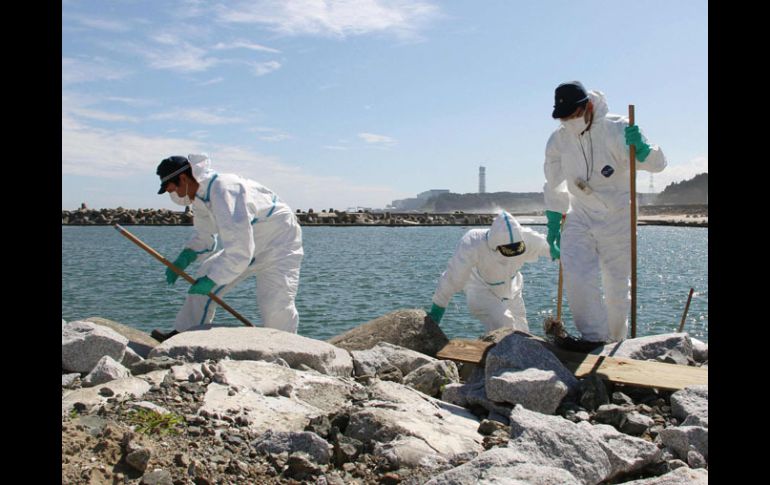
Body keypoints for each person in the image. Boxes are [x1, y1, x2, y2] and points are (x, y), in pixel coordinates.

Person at [543, 81, 667, 352]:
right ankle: (594, 339)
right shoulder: (559, 140)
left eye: (573, 115)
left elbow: (658, 165)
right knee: (576, 272)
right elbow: (554, 184)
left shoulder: (618, 128)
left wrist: (644, 150)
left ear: (587, 106)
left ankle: (617, 342)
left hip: (617, 217)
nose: (570, 122)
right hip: (580, 214)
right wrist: (553, 224)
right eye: (563, 117)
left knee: (616, 286)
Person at [150, 154, 304, 342]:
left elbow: (240, 253)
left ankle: (288, 347)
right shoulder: (198, 196)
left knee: (276, 304)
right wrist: (186, 257)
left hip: (280, 241)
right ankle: (183, 335)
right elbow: (205, 237)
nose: (173, 194)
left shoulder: (225, 190)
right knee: (201, 279)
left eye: (171, 188)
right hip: (251, 242)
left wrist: (212, 280)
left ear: (183, 178)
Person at [426, 211, 551, 334]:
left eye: (516, 249)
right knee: (504, 324)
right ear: (495, 246)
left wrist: (559, 252)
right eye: (508, 250)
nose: (512, 253)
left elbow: (549, 246)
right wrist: (438, 308)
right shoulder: (473, 243)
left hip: (513, 287)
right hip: (482, 289)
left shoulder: (527, 237)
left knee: (522, 330)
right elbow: (453, 277)